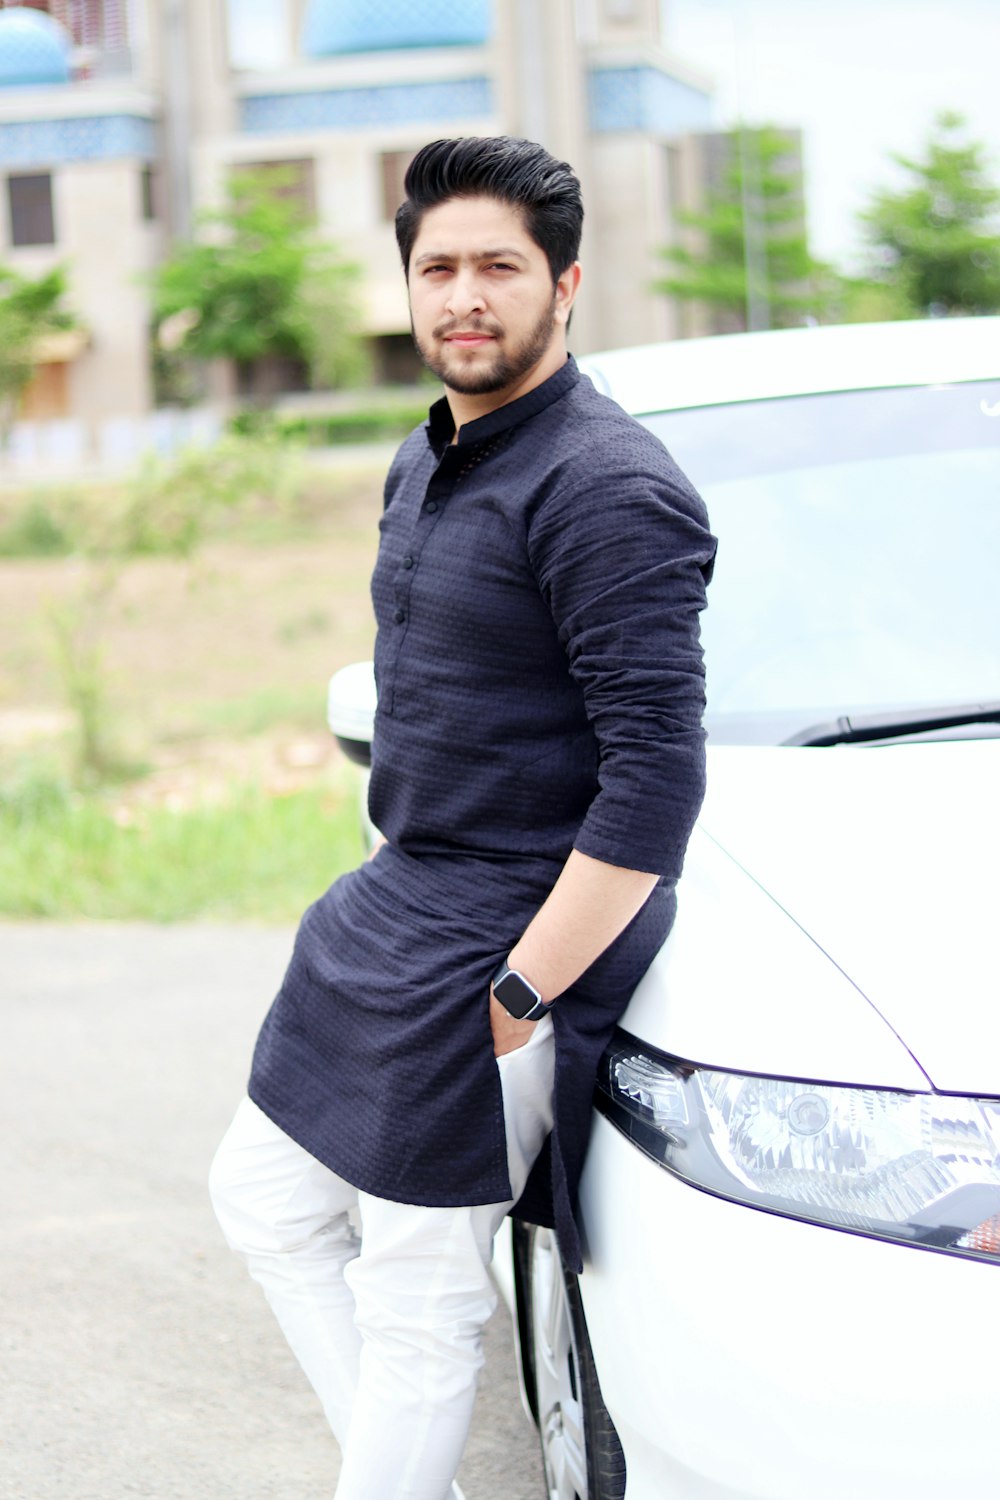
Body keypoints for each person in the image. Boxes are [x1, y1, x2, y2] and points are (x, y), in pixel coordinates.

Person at [209, 135, 716, 1500]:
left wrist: (522, 990)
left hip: (504, 934)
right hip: (397, 902)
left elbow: (658, 777)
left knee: (422, 1304)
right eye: (439, 268)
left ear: (567, 285)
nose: (465, 296)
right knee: (262, 1199)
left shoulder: (608, 489)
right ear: (410, 288)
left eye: (500, 266)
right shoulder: (426, 455)